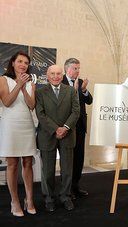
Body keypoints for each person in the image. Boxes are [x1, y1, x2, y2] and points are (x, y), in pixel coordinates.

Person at [35, 65, 80, 212]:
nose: (56, 76)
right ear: (47, 76)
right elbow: (40, 114)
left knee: (67, 169)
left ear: (62, 75)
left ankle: (66, 197)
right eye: (52, 73)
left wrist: (65, 127)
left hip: (68, 134)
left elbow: (76, 111)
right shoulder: (40, 92)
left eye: (58, 73)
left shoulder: (71, 91)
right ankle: (48, 198)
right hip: (47, 135)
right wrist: (56, 129)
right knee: (47, 170)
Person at [0, 51, 37, 217]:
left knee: (28, 162)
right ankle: (14, 201)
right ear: (13, 63)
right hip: (10, 125)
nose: (23, 65)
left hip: (26, 124)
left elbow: (31, 105)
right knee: (12, 163)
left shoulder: (31, 82)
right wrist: (18, 85)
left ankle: (29, 199)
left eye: (26, 63)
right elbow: (7, 102)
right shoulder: (3, 79)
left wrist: (25, 88)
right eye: (20, 61)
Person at [62, 58, 93, 199]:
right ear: (67, 68)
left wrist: (84, 90)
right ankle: (67, 189)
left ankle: (76, 186)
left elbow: (89, 100)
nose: (78, 71)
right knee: (68, 159)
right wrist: (73, 92)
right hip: (66, 126)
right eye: (75, 68)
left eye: (78, 68)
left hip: (80, 126)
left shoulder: (80, 83)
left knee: (79, 158)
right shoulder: (60, 81)